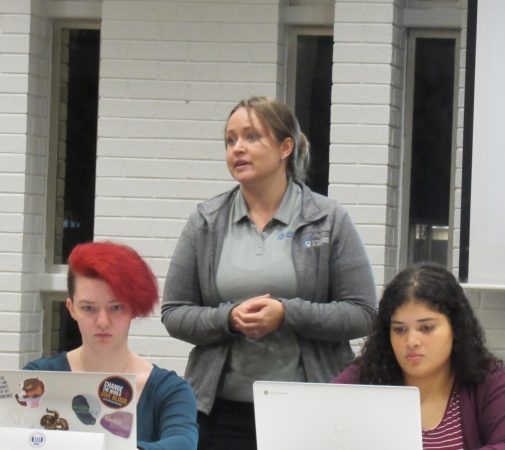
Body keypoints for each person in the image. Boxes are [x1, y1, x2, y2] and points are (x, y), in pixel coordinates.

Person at [161, 96, 377, 450]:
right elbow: (174, 313)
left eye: (251, 137)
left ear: (285, 147)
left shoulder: (328, 219)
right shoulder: (205, 221)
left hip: (312, 407)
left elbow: (362, 313)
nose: (238, 149)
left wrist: (287, 314)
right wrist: (227, 318)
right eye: (231, 140)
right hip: (221, 410)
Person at [333, 262, 505, 450]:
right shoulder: (364, 377)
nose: (412, 341)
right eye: (399, 330)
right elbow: (319, 421)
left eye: (426, 327)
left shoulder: (488, 379)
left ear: (455, 327)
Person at [24, 241, 198, 450]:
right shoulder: (39, 378)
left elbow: (183, 442)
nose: (103, 321)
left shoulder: (169, 390)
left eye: (116, 307)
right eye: (89, 308)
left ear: (133, 307)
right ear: (71, 309)